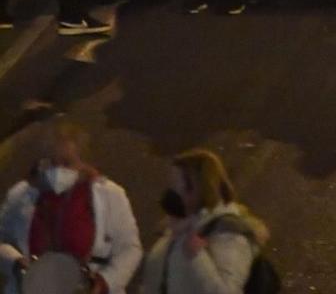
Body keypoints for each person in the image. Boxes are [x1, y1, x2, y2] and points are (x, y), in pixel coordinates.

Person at [0, 115, 143, 293]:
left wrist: (104, 282)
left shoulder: (110, 195)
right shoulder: (22, 195)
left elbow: (130, 248)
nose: (58, 169)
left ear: (84, 162)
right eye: (52, 162)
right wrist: (16, 263)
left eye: (67, 163)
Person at [141, 148, 270, 294]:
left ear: (197, 188)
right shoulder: (179, 227)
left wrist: (197, 256)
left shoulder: (229, 233)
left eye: (177, 185)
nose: (171, 192)